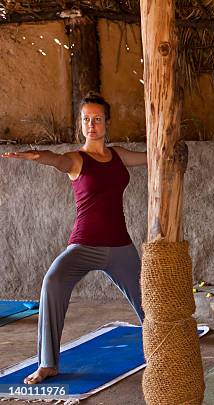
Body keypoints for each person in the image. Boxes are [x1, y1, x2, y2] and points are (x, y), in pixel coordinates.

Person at [1, 92, 147, 384]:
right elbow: (57, 160)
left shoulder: (118, 155)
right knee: (53, 281)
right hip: (84, 244)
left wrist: (173, 149)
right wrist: (37, 156)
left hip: (120, 246)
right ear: (81, 124)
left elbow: (153, 158)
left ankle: (164, 346)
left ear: (106, 123)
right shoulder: (76, 159)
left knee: (149, 302)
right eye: (86, 119)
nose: (91, 124)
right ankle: (48, 363)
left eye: (97, 119)